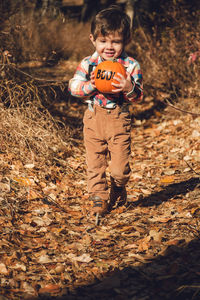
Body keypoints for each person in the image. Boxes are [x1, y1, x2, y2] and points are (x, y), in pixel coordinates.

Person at [69, 5, 143, 221]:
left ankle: (118, 187)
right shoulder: (88, 64)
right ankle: (98, 198)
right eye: (103, 41)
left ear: (126, 40)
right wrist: (90, 86)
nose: (109, 47)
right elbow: (73, 87)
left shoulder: (130, 66)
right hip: (93, 117)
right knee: (95, 162)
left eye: (115, 41)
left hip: (119, 119)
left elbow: (138, 97)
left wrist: (129, 87)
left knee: (120, 169)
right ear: (93, 39)